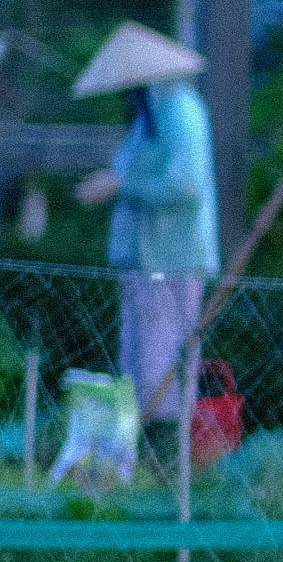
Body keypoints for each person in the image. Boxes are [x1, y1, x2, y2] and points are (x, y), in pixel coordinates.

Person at [69, 22, 220, 426]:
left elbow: (185, 185)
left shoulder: (181, 110)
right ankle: (133, 444)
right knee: (136, 357)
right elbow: (131, 171)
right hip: (143, 259)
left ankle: (165, 447)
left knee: (164, 357)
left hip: (173, 259)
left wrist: (122, 184)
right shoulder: (149, 115)